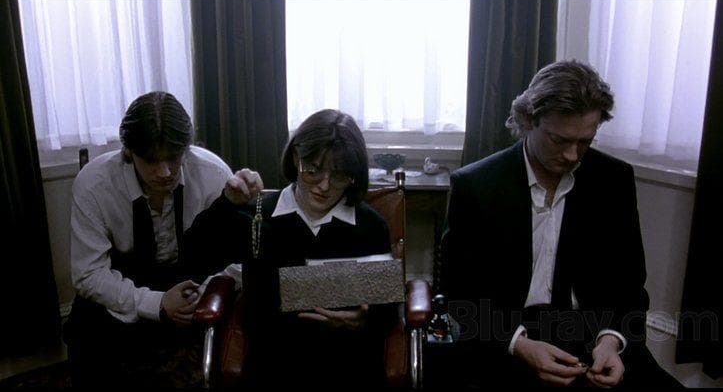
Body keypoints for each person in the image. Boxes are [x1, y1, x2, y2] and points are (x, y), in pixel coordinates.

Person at [441, 60, 681, 388]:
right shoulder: (476, 185)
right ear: (528, 120)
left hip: (594, 334)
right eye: (559, 140)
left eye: (585, 142)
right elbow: (458, 290)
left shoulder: (614, 179)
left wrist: (611, 341)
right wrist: (518, 344)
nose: (572, 155)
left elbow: (629, 282)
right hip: (505, 335)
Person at [184, 109, 396, 388]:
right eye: (313, 170)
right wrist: (226, 203)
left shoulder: (370, 225)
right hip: (274, 365)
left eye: (339, 175)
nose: (324, 186)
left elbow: (388, 313)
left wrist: (361, 321)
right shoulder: (257, 215)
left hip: (347, 365)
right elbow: (194, 258)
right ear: (297, 158)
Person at [63, 91, 235, 388]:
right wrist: (156, 303)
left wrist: (206, 289)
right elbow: (88, 273)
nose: (165, 172)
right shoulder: (94, 184)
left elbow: (235, 255)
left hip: (191, 275)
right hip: (124, 275)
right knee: (83, 332)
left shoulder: (214, 174)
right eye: (152, 161)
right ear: (128, 152)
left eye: (174, 158)